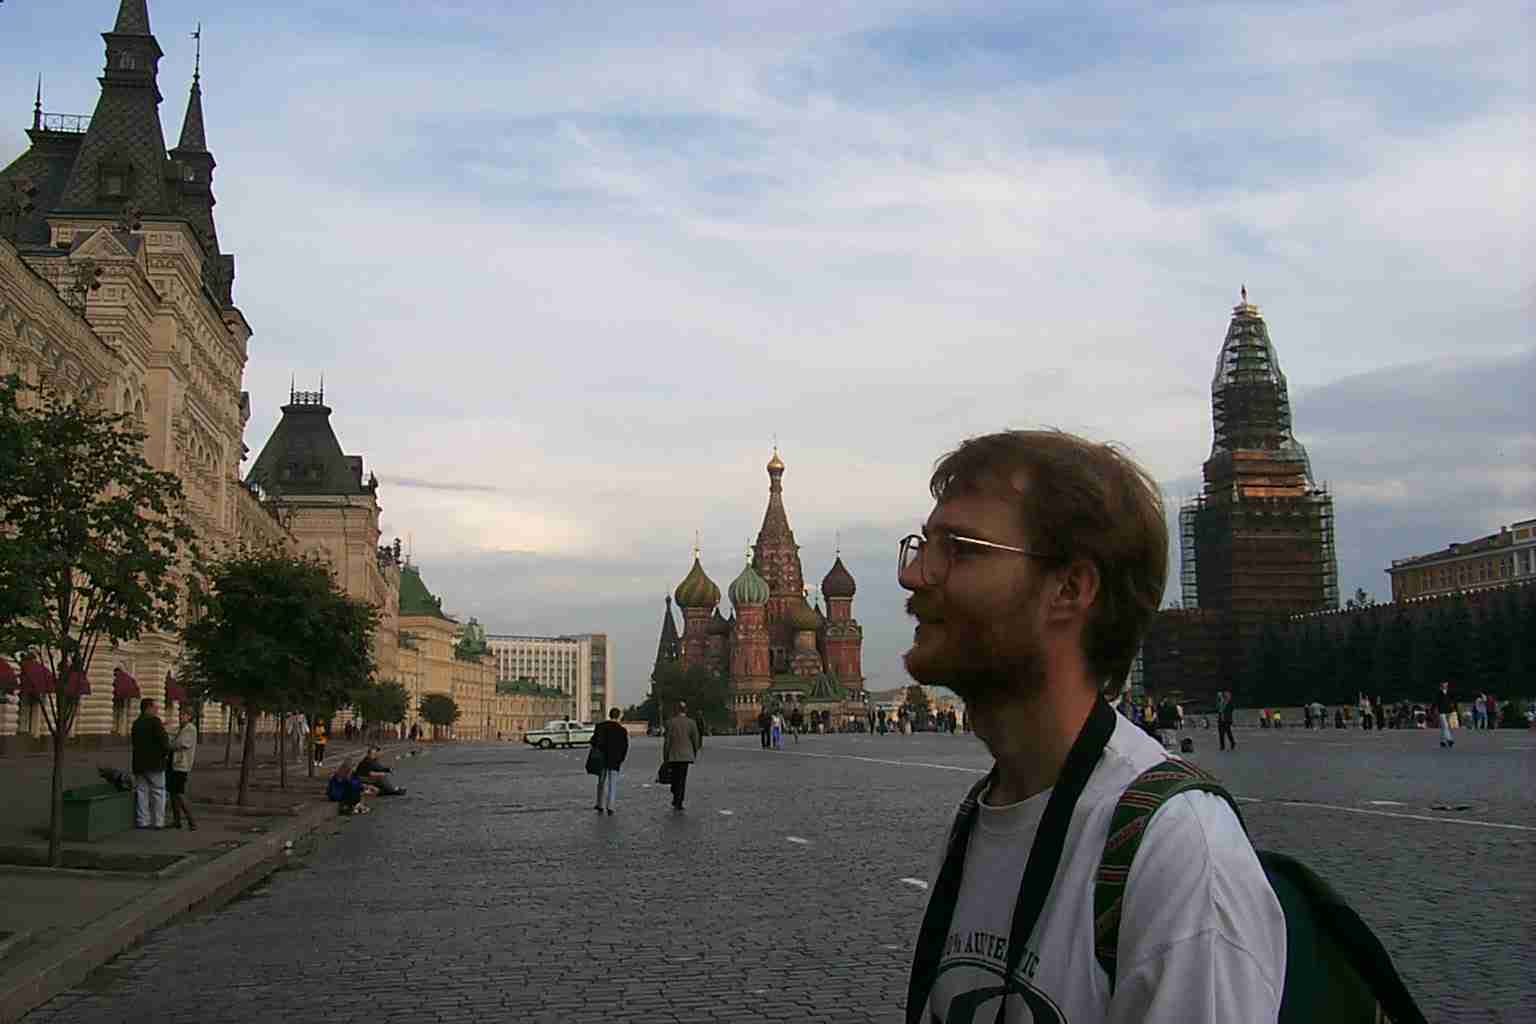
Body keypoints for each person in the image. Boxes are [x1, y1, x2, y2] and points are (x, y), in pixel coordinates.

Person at [898, 430, 1283, 1023]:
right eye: (923, 546)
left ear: (1070, 589)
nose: (915, 576)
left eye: (960, 549)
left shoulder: (1176, 853)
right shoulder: (983, 813)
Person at [131, 698, 173, 830]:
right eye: (155, 707)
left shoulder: (136, 723)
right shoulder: (155, 722)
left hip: (139, 763)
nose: (157, 709)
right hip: (155, 763)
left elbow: (134, 742)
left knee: (142, 792)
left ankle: (142, 821)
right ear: (148, 708)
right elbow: (164, 742)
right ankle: (158, 822)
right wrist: (166, 754)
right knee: (158, 791)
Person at [661, 700, 701, 810]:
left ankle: (675, 795)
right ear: (685, 710)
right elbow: (695, 740)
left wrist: (665, 756)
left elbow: (667, 741)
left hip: (673, 755)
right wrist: (694, 752)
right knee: (682, 779)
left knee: (675, 777)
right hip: (686, 755)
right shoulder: (691, 723)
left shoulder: (670, 723)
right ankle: (679, 800)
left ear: (676, 710)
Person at [590, 707, 629, 814]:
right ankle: (610, 806)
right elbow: (625, 747)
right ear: (618, 716)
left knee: (601, 782)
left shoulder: (600, 726)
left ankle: (599, 804)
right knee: (613, 783)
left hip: (601, 758)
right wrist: (621, 759)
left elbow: (593, 741)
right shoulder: (622, 730)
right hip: (615, 759)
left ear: (609, 715)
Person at [167, 704, 198, 830]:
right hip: (173, 764)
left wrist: (169, 745)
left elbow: (182, 743)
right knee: (173, 793)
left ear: (189, 716)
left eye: (183, 714)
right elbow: (170, 732)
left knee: (179, 793)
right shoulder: (182, 727)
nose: (180, 716)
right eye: (180, 714)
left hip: (181, 765)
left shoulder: (190, 728)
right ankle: (177, 821)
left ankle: (191, 821)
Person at [1435, 682, 1455, 748]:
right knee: (1445, 726)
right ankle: (1449, 739)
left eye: (1446, 684)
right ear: (1441, 685)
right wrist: (1435, 710)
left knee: (1444, 727)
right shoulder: (1438, 693)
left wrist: (1452, 709)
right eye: (1444, 684)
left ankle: (1442, 741)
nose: (1446, 685)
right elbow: (1436, 702)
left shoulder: (1449, 692)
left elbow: (1451, 701)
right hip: (1441, 712)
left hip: (1448, 711)